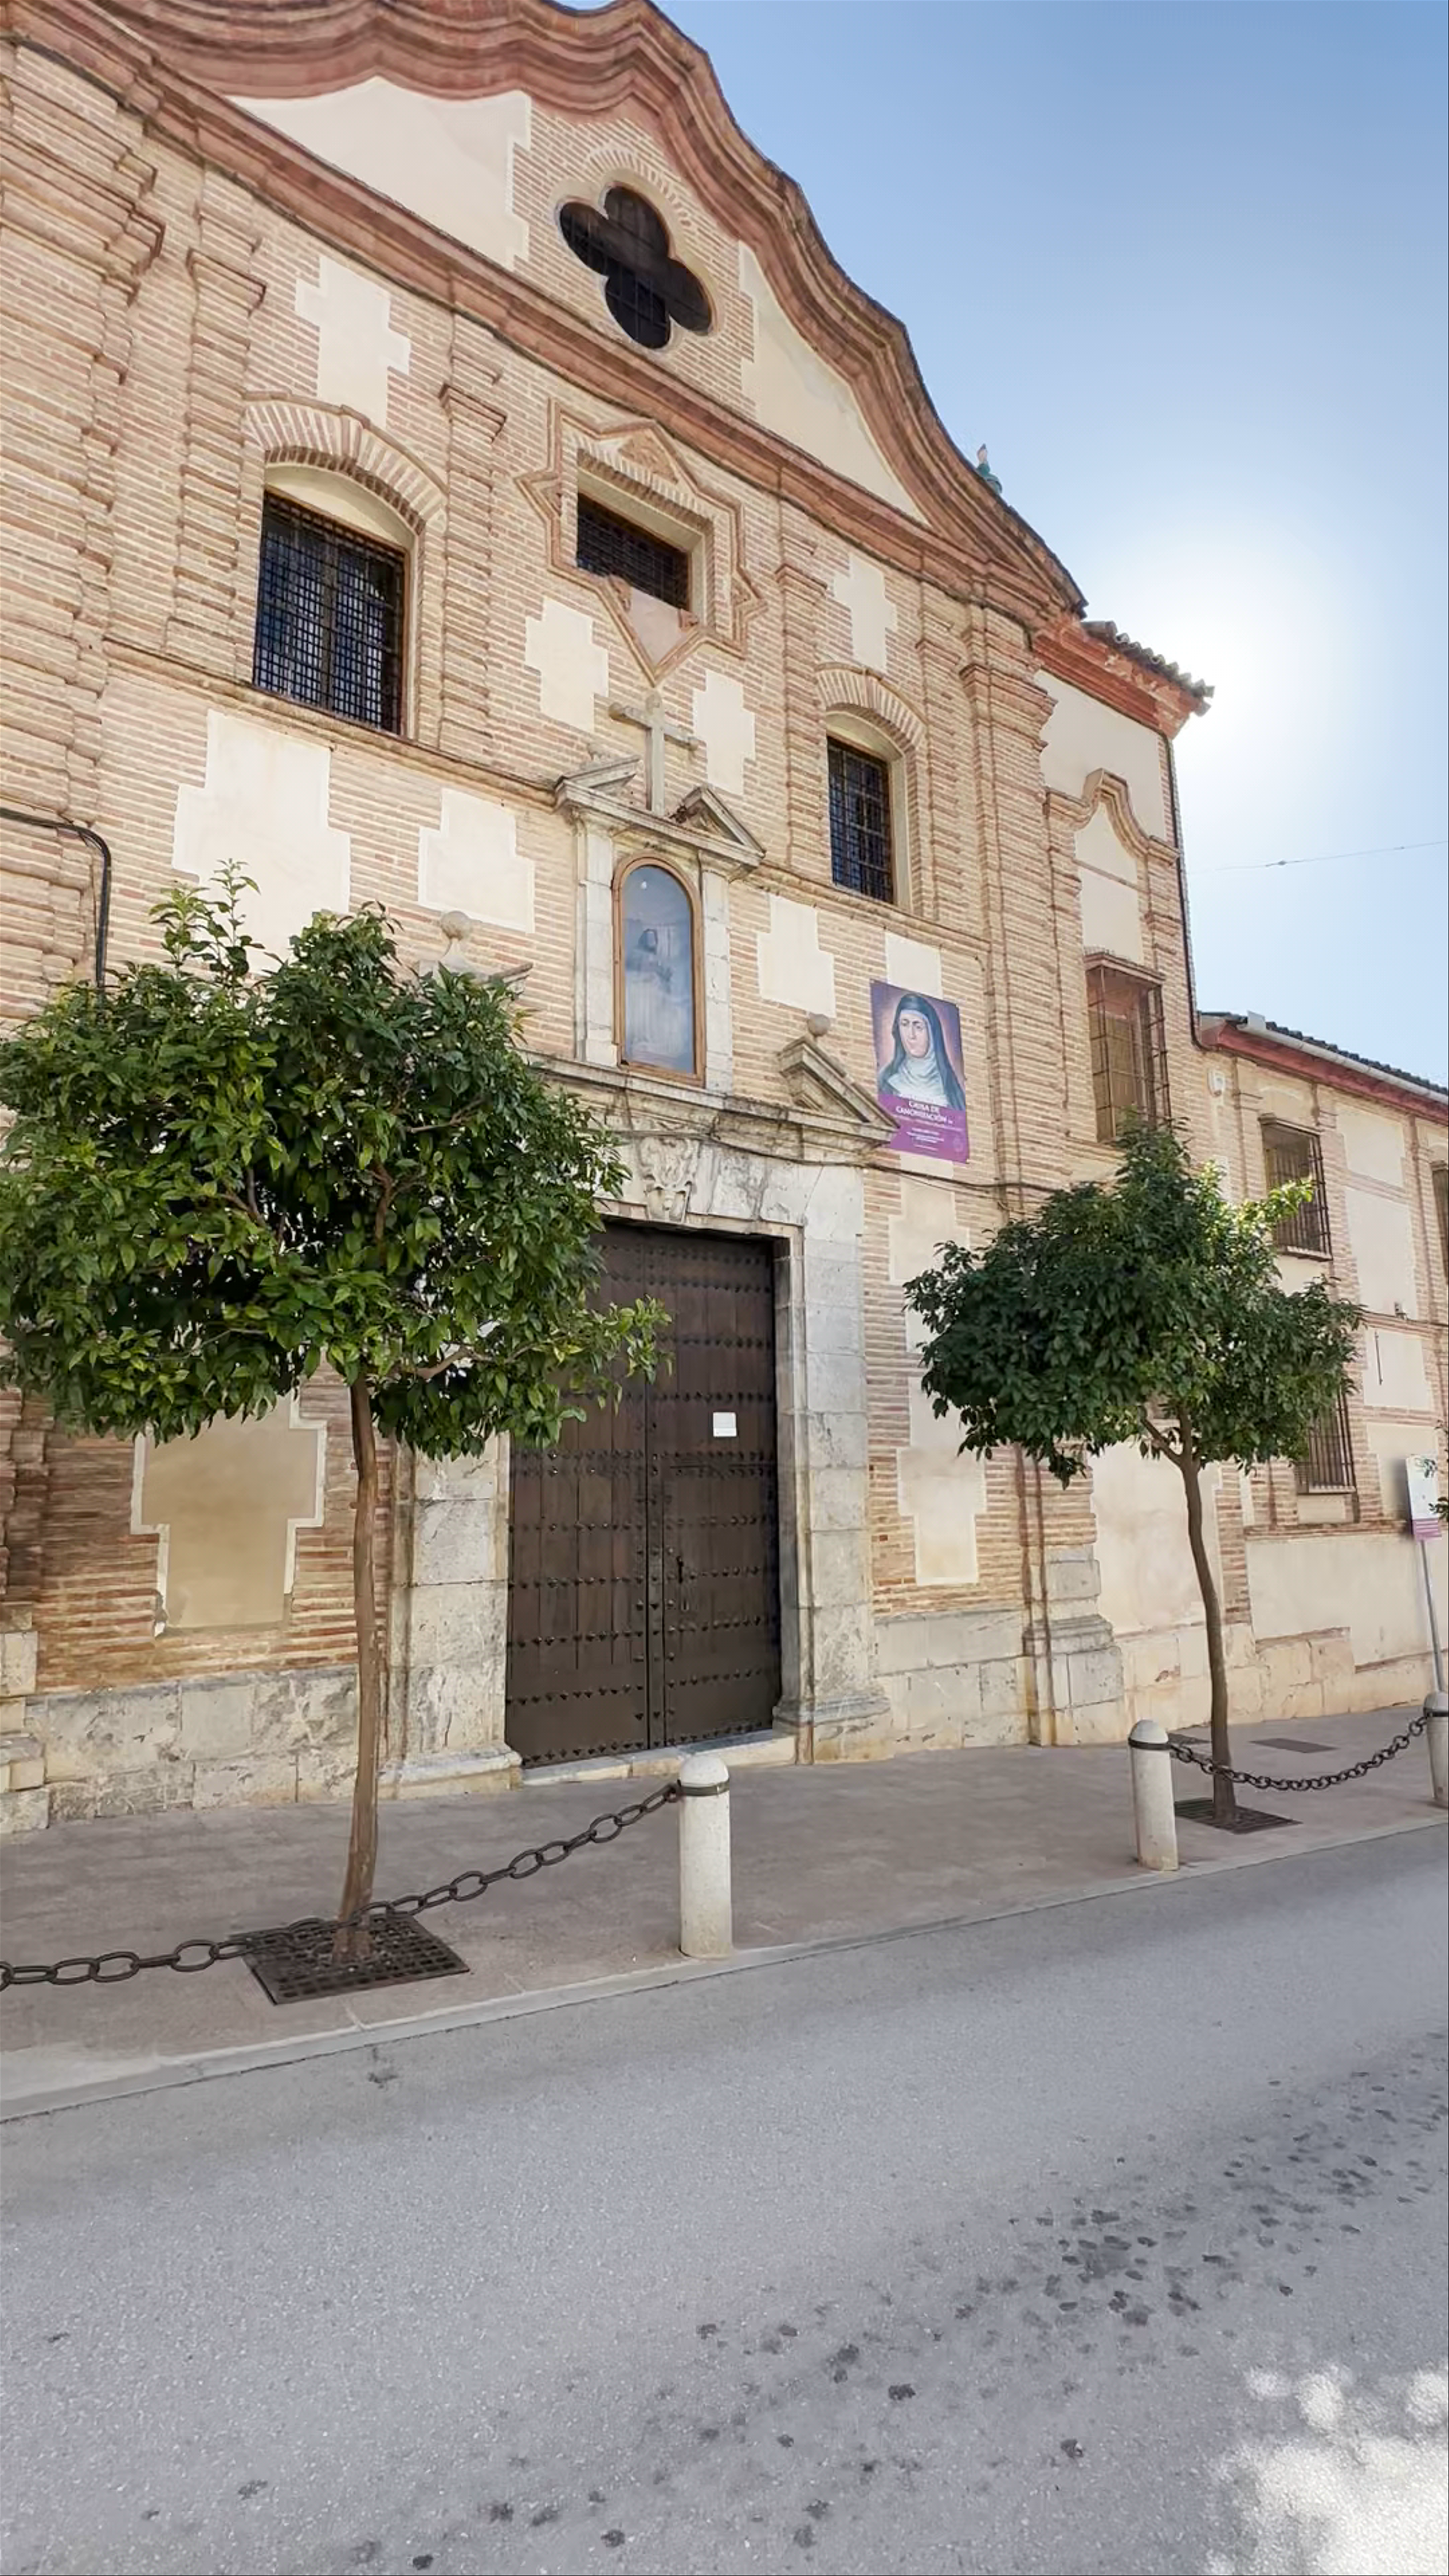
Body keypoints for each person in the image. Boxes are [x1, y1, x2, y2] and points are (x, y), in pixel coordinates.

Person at [877, 992, 966, 1111]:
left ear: (932, 1033)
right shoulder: (886, 1081)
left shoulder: (951, 1089)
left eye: (918, 1027)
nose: (911, 1035)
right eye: (905, 1025)